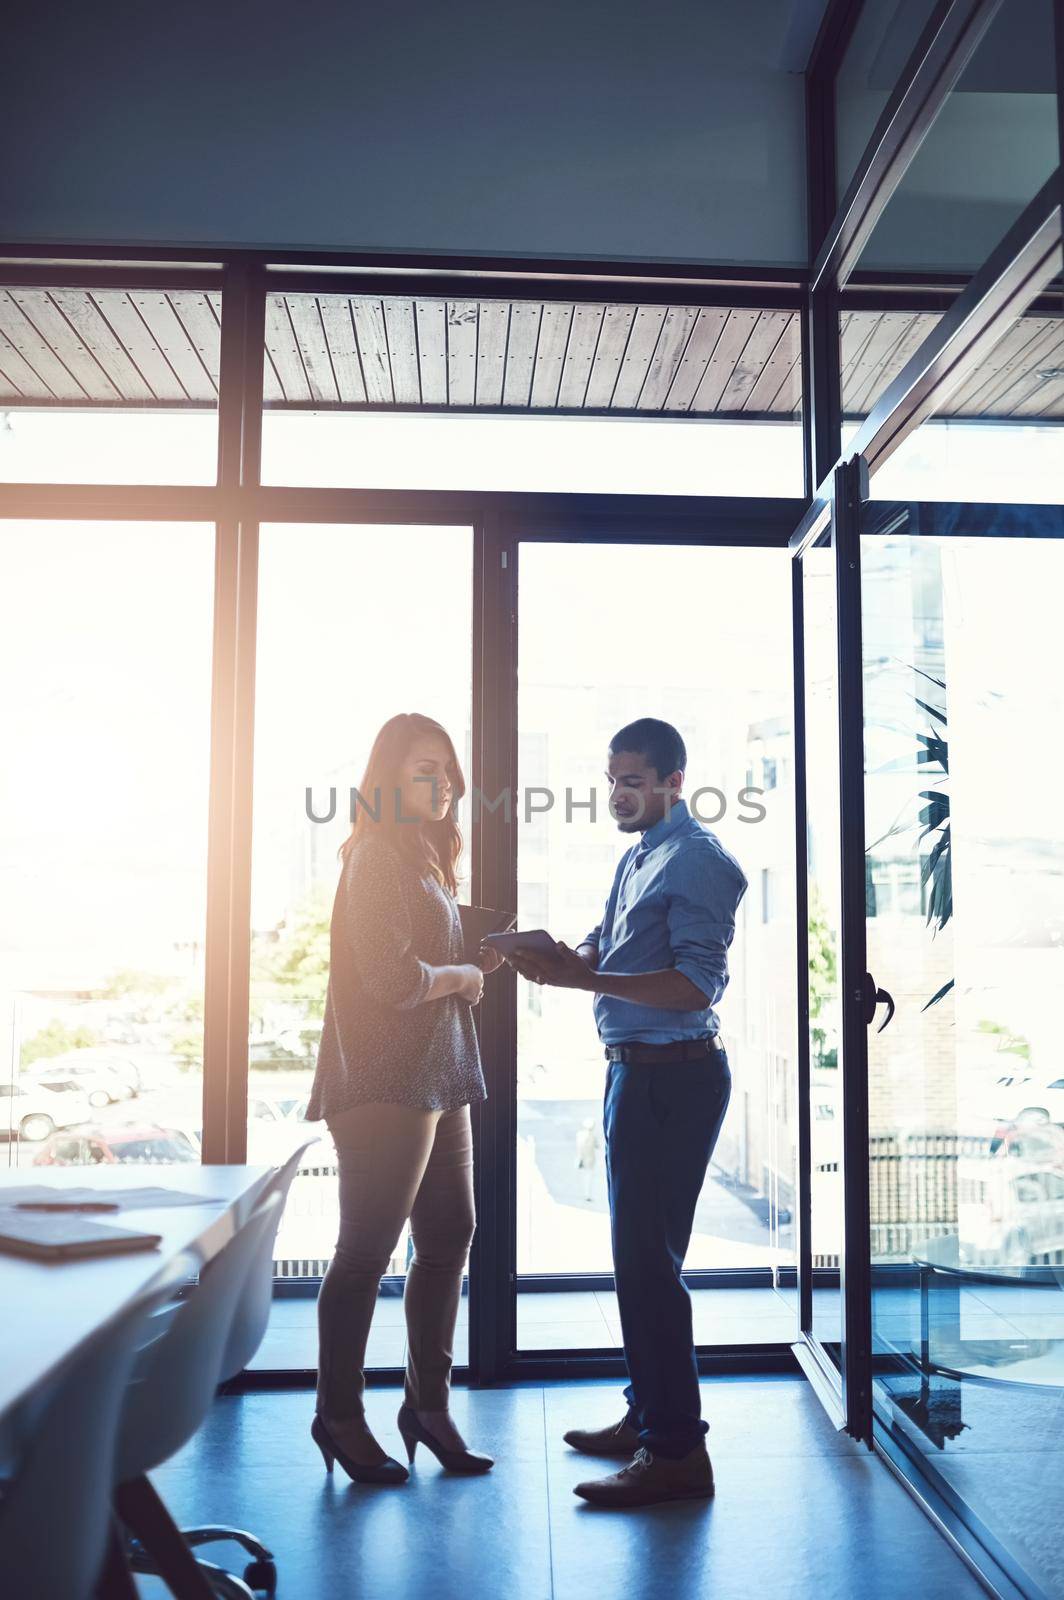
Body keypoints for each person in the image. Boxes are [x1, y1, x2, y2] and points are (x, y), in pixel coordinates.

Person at [505, 718, 747, 1508]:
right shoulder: (636, 857)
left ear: (676, 781)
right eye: (613, 779)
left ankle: (676, 1451)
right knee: (639, 1263)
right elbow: (607, 947)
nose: (619, 793)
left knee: (649, 1267)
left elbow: (694, 986)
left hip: (674, 1079)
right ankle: (650, 1415)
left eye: (635, 779)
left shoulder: (701, 862)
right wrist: (559, 961)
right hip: (633, 1075)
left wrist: (585, 983)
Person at [307, 712, 504, 1485]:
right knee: (364, 1256)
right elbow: (392, 980)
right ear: (389, 777)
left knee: (452, 1233)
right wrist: (462, 977)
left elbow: (417, 959)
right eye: (427, 769)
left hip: (439, 1075)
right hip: (386, 1084)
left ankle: (428, 1407)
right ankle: (339, 1414)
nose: (446, 782)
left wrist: (469, 953)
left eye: (449, 769)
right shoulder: (377, 858)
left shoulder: (421, 857)